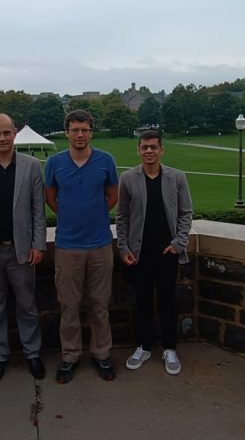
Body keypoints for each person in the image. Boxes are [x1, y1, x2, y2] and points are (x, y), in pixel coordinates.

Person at [0, 113, 48, 383]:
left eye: (6, 133)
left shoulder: (32, 166)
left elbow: (39, 210)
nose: (2, 138)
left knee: (27, 305)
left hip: (22, 250)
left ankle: (33, 353)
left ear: (14, 133)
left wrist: (38, 244)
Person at [44, 109, 119, 383]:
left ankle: (101, 354)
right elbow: (50, 197)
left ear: (91, 132)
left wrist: (95, 212)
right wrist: (70, 215)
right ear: (67, 132)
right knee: (69, 305)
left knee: (100, 305)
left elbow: (113, 195)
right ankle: (70, 356)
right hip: (67, 245)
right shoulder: (55, 163)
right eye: (75, 129)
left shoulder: (105, 160)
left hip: (99, 243)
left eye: (85, 130)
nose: (79, 134)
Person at [116, 130, 193, 376]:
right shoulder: (128, 179)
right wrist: (124, 247)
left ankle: (170, 348)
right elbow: (123, 217)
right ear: (138, 150)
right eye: (144, 147)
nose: (149, 151)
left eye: (153, 147)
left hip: (167, 251)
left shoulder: (177, 177)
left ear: (162, 150)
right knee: (142, 301)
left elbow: (185, 213)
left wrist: (179, 242)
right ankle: (144, 346)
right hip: (140, 253)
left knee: (168, 301)